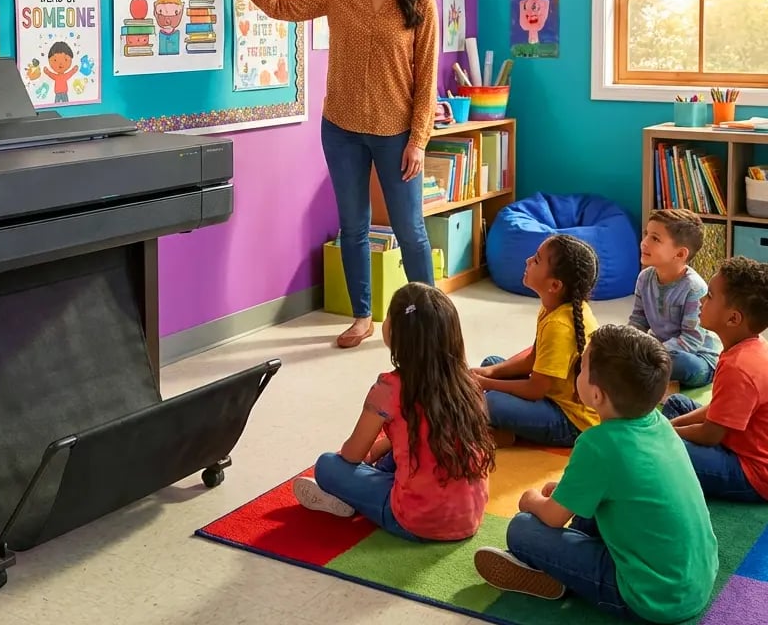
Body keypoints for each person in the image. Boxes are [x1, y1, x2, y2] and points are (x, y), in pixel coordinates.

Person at [211, 0, 437, 349]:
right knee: (353, 227)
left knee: (410, 230)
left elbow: (426, 79)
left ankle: (430, 323)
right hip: (342, 128)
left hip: (396, 133)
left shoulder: (419, 3)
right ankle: (362, 316)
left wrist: (419, 140)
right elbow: (281, 7)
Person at [474, 324, 718, 623]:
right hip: (697, 580)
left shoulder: (598, 444)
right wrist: (565, 494)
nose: (576, 372)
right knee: (586, 500)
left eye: (582, 367)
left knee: (523, 527)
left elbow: (551, 516)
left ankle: (558, 573)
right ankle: (562, 567)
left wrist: (530, 499)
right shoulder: (658, 422)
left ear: (597, 395)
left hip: (652, 599)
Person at [292, 282, 494, 540]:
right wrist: (380, 448)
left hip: (416, 520)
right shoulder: (468, 383)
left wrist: (361, 457)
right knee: (395, 452)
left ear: (396, 333)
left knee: (327, 466)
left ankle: (352, 498)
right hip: (470, 516)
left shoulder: (389, 387)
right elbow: (430, 431)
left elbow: (353, 454)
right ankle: (369, 487)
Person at [471, 234, 600, 447]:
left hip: (570, 421)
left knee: (490, 401)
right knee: (491, 362)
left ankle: (507, 433)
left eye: (537, 260)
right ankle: (505, 432)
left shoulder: (560, 324)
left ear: (555, 285)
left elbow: (535, 389)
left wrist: (485, 383)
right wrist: (489, 373)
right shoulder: (554, 307)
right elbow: (533, 359)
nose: (528, 261)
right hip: (549, 395)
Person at [662, 256, 768, 502]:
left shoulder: (740, 367)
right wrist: (670, 428)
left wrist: (667, 434)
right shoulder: (747, 346)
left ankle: (653, 454)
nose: (700, 301)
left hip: (751, 472)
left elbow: (711, 434)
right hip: (734, 439)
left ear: (733, 319)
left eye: (709, 296)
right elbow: (717, 410)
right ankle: (655, 445)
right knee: (678, 403)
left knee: (667, 449)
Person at [628, 208, 720, 388]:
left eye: (655, 238)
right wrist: (628, 342)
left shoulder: (694, 288)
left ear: (680, 254)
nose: (644, 242)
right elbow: (638, 320)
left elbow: (691, 340)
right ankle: (656, 378)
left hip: (697, 358)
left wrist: (649, 352)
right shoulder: (644, 278)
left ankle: (655, 377)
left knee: (681, 363)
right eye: (646, 234)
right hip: (659, 351)